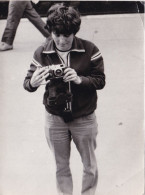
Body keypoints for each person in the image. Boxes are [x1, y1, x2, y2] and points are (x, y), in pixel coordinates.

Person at [23, 4, 105, 195]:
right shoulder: (42, 52)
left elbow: (100, 80)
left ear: (74, 32)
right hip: (55, 118)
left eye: (66, 35)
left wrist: (79, 79)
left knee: (89, 166)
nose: (61, 40)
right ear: (50, 31)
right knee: (60, 167)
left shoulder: (90, 49)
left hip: (84, 117)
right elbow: (27, 83)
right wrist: (33, 83)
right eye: (56, 34)